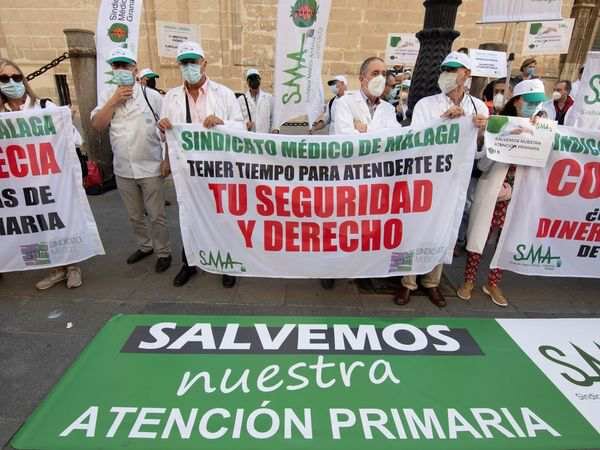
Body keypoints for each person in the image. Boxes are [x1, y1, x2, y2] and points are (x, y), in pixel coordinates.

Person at [394, 51, 488, 308]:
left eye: (453, 69)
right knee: (415, 227)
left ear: (466, 75)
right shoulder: (427, 104)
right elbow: (416, 139)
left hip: (454, 181)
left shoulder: (478, 107)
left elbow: (479, 150)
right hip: (426, 177)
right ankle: (406, 282)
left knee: (444, 228)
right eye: (444, 69)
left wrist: (481, 131)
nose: (447, 74)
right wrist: (442, 121)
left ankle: (432, 283)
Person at [158, 41, 245, 288]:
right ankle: (190, 263)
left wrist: (222, 124)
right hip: (187, 170)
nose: (188, 66)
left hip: (219, 169)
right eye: (184, 62)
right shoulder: (172, 97)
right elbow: (167, 136)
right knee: (189, 214)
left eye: (193, 61)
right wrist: (163, 133)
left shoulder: (224, 94)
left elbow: (240, 128)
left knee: (222, 216)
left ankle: (226, 264)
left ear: (203, 63)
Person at [457, 79, 547, 307]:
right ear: (517, 101)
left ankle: (493, 282)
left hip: (519, 194)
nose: (533, 107)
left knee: (506, 239)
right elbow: (483, 163)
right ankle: (468, 280)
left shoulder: (542, 126)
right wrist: (504, 139)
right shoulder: (498, 124)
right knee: (480, 236)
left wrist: (539, 131)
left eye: (538, 103)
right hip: (494, 189)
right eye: (530, 102)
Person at [0, 58, 83, 290]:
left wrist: (67, 122)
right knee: (35, 227)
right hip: (19, 186)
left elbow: (77, 140)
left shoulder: (45, 107)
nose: (12, 83)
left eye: (16, 77)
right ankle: (55, 269)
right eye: (4, 79)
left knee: (60, 222)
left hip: (51, 181)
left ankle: (73, 266)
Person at [321, 57, 400, 291]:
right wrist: (375, 135)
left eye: (384, 73)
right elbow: (345, 139)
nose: (380, 78)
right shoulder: (345, 103)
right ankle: (330, 270)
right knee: (338, 226)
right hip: (347, 176)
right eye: (375, 72)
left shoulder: (387, 109)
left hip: (375, 179)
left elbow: (394, 140)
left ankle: (361, 270)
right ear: (362, 77)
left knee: (364, 228)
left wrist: (365, 130)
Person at [91, 48, 172, 275]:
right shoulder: (108, 94)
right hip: (123, 169)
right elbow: (97, 124)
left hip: (150, 167)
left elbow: (168, 131)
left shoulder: (152, 97)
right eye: (117, 66)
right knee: (134, 215)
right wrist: (114, 101)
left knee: (156, 215)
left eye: (125, 66)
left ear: (135, 69)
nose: (121, 70)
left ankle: (163, 252)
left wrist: (167, 160)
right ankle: (145, 246)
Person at [238, 68, 276, 134]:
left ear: (260, 80)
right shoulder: (241, 100)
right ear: (247, 82)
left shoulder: (269, 98)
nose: (254, 80)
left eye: (255, 78)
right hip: (248, 138)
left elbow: (274, 117)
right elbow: (237, 120)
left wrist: (274, 130)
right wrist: (245, 125)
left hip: (265, 138)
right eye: (251, 79)